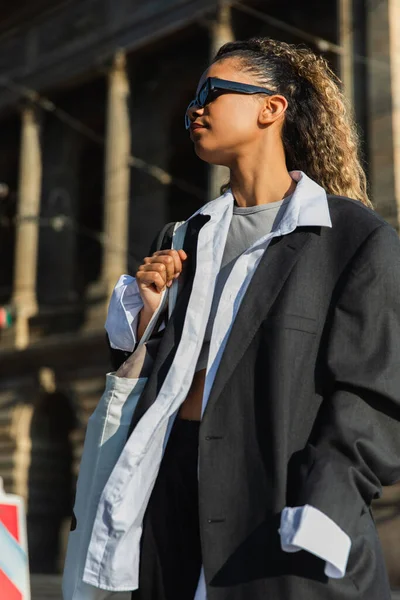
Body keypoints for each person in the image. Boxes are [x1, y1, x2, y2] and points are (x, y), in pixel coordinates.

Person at [104, 38, 400, 600]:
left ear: (271, 107)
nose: (195, 106)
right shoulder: (182, 239)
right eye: (194, 94)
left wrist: (324, 510)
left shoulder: (355, 239)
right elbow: (155, 383)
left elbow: (371, 395)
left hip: (277, 506)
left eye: (213, 91)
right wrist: (147, 318)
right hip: (169, 504)